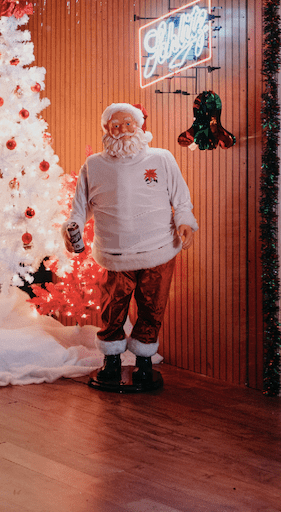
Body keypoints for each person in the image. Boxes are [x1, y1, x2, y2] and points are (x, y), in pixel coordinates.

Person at [63, 103, 197, 385]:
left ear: (139, 126)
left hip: (159, 248)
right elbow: (79, 209)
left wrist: (185, 221)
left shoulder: (162, 158)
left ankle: (144, 362)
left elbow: (181, 198)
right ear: (106, 130)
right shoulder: (94, 166)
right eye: (115, 125)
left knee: (152, 308)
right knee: (113, 307)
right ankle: (111, 360)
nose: (123, 130)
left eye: (128, 123)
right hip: (115, 252)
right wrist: (72, 228)